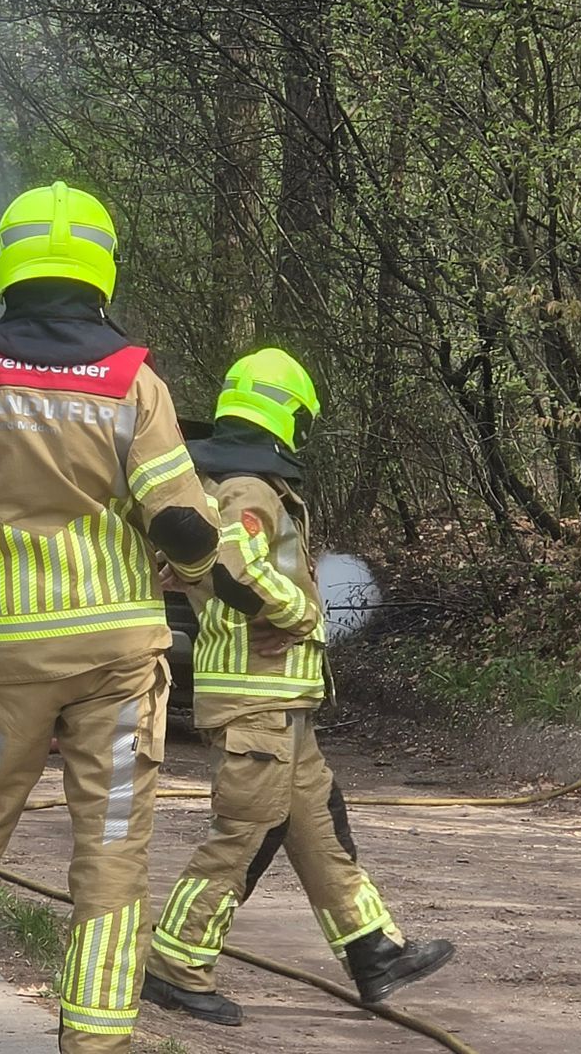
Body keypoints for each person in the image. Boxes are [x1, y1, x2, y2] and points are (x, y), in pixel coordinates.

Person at [0, 182, 221, 1054]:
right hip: (120, 660)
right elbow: (185, 526)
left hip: (7, 656)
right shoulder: (136, 381)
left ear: (5, 270)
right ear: (101, 271)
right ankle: (93, 1039)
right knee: (111, 853)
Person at [141, 348, 455, 1026]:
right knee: (245, 836)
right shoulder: (249, 489)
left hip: (280, 705)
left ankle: (374, 950)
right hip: (257, 702)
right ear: (290, 419)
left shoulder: (232, 483)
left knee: (319, 830)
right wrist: (300, 610)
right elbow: (233, 566)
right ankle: (175, 964)